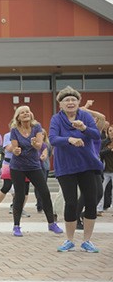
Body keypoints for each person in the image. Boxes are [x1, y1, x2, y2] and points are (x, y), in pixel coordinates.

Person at [49, 86, 102, 253]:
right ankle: (69, 240)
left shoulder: (85, 116)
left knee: (91, 201)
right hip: (66, 166)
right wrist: (70, 139)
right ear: (61, 104)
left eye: (73, 100)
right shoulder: (56, 119)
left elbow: (96, 135)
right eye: (66, 100)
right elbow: (53, 139)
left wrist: (83, 128)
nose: (70, 102)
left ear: (79, 102)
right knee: (71, 203)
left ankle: (87, 240)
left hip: (87, 164)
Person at [9, 105, 62, 237]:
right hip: (18, 167)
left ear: (31, 114)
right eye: (22, 113)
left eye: (27, 111)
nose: (26, 113)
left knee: (44, 193)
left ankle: (51, 224)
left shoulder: (37, 127)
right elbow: (15, 149)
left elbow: (39, 145)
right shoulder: (14, 130)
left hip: (34, 166)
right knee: (19, 196)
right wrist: (16, 150)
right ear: (18, 117)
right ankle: (16, 226)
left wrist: (35, 145)